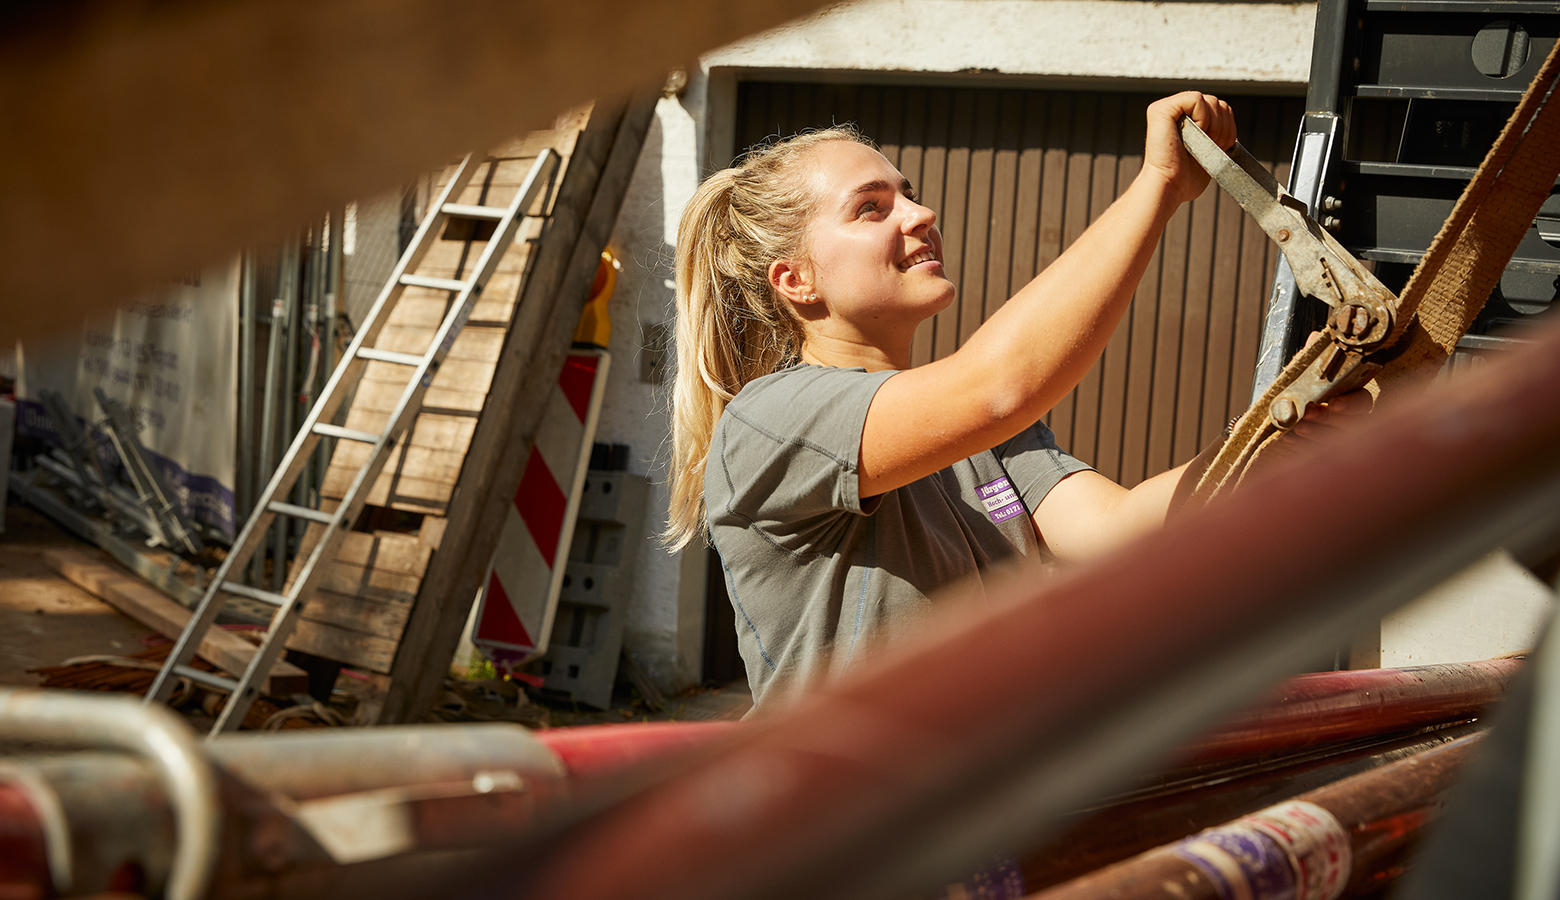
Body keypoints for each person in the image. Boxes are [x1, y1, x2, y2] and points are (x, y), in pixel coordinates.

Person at [665, 92, 1360, 710]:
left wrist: (1289, 432)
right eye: (871, 208)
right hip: (862, 837)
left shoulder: (983, 439)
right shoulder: (772, 419)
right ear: (797, 280)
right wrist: (1158, 186)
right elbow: (1001, 386)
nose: (921, 213)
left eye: (909, 194)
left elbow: (1121, 527)